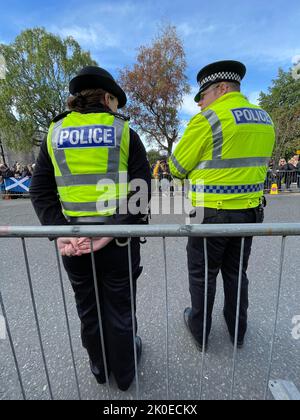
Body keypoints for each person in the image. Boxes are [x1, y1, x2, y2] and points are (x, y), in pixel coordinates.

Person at [30, 66, 151, 391]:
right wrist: (109, 231)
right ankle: (124, 376)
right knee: (120, 308)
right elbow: (140, 192)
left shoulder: (54, 133)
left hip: (74, 244)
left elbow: (39, 191)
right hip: (118, 244)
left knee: (88, 308)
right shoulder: (124, 132)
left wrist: (59, 232)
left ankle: (99, 368)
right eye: (116, 102)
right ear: (108, 98)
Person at [169, 60, 275, 350]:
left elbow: (176, 167)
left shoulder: (208, 120)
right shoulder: (265, 118)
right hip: (250, 212)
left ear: (223, 88)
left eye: (203, 95)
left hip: (211, 215)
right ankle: (237, 330)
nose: (201, 102)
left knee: (203, 275)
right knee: (236, 272)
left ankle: (200, 331)